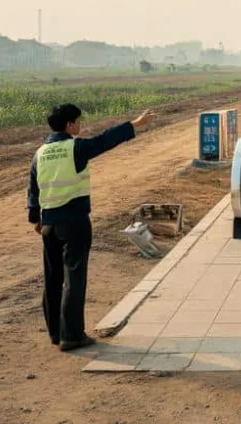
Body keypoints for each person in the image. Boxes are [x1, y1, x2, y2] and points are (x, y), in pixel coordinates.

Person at [29, 103, 155, 351]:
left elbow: (33, 189)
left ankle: (56, 333)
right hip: (74, 222)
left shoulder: (40, 153)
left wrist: (35, 218)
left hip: (49, 224)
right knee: (74, 278)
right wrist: (136, 124)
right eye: (78, 121)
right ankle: (72, 336)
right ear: (69, 125)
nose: (80, 125)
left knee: (53, 279)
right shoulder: (74, 148)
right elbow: (104, 141)